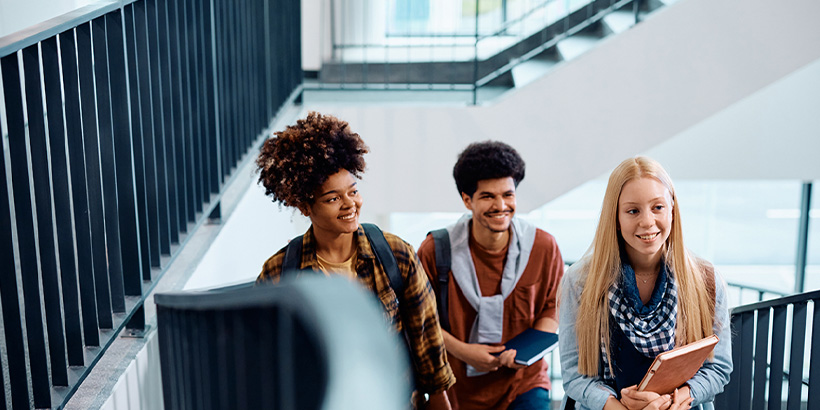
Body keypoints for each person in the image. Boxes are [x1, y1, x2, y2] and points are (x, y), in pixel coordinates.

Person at [255, 112, 455, 409]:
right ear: (303, 205)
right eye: (333, 198)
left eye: (354, 191)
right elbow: (268, 361)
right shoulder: (280, 272)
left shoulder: (394, 255)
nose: (350, 204)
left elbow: (429, 351)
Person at [558, 156, 732, 410]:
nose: (647, 222)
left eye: (658, 207)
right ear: (615, 218)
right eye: (633, 211)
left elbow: (718, 368)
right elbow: (575, 376)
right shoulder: (580, 282)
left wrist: (674, 401)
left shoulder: (705, 280)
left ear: (672, 209)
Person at [417, 141, 564, 410]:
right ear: (467, 200)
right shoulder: (435, 250)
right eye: (487, 196)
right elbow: (420, 320)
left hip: (525, 383)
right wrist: (463, 351)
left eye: (508, 195)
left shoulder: (543, 247)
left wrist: (522, 354)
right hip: (456, 388)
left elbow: (553, 307)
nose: (501, 206)